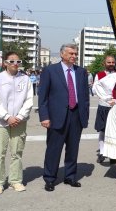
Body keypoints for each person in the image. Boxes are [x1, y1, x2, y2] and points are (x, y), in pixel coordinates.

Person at [38, 44, 90, 192]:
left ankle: (70, 176)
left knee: (73, 149)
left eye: (75, 54)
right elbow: (43, 97)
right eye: (71, 53)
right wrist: (44, 116)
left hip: (76, 116)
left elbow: (85, 96)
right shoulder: (50, 71)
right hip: (56, 117)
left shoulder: (81, 72)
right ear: (62, 54)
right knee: (53, 149)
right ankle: (49, 178)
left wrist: (84, 116)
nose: (74, 56)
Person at [0, 52, 33, 195]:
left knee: (17, 153)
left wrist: (19, 116)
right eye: (12, 61)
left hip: (19, 121)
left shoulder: (25, 79)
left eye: (18, 61)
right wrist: (7, 116)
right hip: (1, 122)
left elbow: (29, 100)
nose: (16, 64)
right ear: (5, 63)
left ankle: (16, 181)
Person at [92, 55, 116, 163]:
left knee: (115, 131)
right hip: (103, 106)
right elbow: (94, 89)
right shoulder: (100, 75)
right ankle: (102, 152)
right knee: (102, 130)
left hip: (115, 106)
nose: (111, 64)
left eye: (113, 62)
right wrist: (105, 97)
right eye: (109, 62)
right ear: (104, 63)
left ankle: (113, 153)